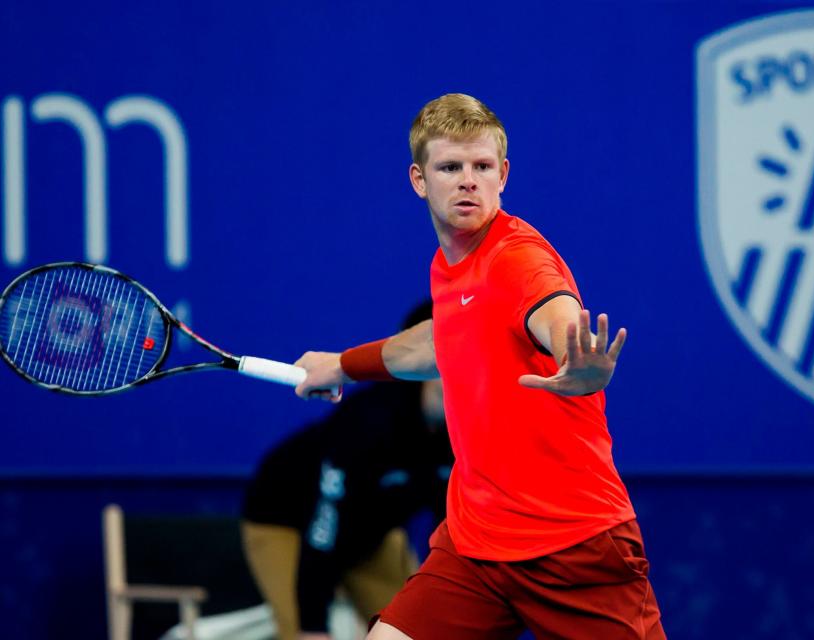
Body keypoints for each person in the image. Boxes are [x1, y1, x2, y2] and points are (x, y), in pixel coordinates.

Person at [294, 94, 666, 639]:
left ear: (503, 175)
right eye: (451, 167)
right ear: (420, 180)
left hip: (575, 547)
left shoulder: (516, 259)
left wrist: (578, 362)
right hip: (476, 546)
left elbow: (556, 313)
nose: (468, 180)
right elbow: (439, 340)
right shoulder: (452, 265)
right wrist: (344, 366)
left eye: (481, 167)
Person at [243, 303, 453, 640]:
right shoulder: (367, 425)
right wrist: (312, 627)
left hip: (370, 536)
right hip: (287, 521)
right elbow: (323, 531)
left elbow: (449, 529)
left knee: (419, 630)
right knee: (302, 633)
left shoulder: (465, 428)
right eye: (444, 357)